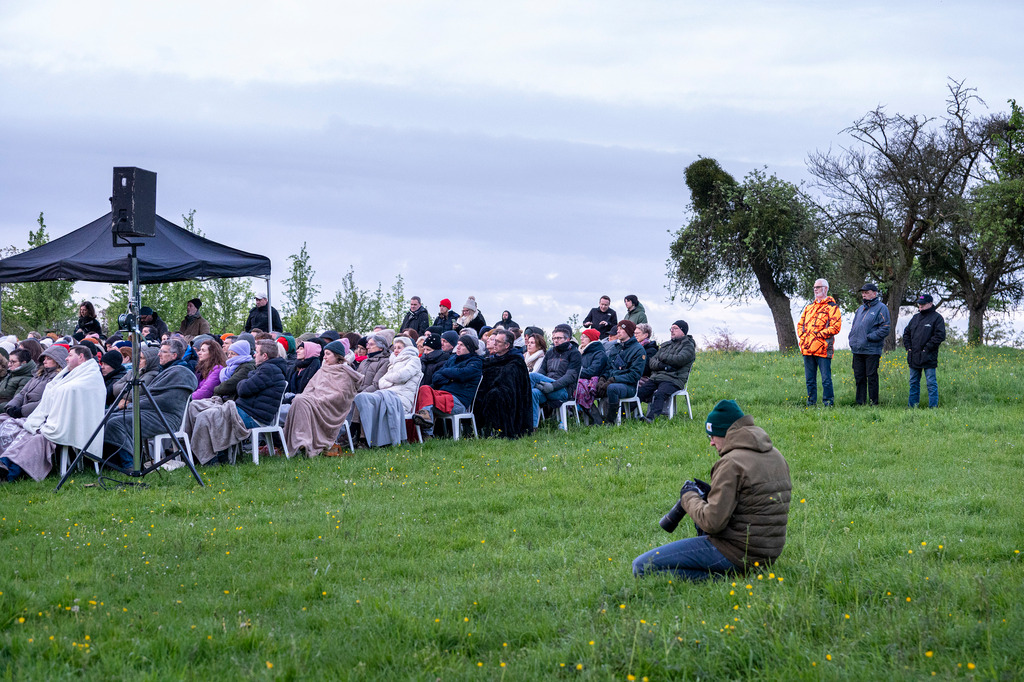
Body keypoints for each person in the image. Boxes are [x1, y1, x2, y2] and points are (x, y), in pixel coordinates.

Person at [632, 400, 792, 581]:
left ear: (727, 433)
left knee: (642, 566)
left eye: (713, 436)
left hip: (736, 552)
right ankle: (733, 577)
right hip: (767, 554)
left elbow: (712, 523)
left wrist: (689, 497)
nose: (711, 443)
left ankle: (726, 578)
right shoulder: (776, 455)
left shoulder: (731, 463)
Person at [0, 345, 106, 482]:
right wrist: (11, 407)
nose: (66, 358)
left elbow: (70, 398)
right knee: (13, 427)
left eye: (70, 355)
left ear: (80, 357)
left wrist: (22, 411)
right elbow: (26, 394)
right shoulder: (62, 374)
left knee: (34, 439)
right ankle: (4, 463)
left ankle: (10, 472)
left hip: (70, 424)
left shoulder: (89, 376)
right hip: (49, 418)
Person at [103, 338, 198, 470]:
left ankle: (130, 465)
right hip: (153, 412)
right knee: (111, 417)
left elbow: (165, 400)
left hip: (166, 417)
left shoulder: (181, 372)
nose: (159, 354)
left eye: (163, 352)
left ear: (174, 355)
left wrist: (132, 405)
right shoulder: (167, 370)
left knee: (117, 422)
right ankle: (112, 462)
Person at [284, 340, 362, 456]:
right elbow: (310, 388)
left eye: (328, 354)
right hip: (313, 401)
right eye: (324, 354)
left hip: (330, 407)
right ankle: (300, 442)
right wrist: (310, 398)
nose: (324, 357)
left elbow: (341, 395)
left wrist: (319, 399)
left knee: (301, 401)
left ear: (337, 355)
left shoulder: (345, 373)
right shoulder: (322, 370)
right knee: (299, 399)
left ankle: (304, 443)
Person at [351, 336, 422, 447]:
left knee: (367, 399)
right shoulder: (393, 362)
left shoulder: (414, 360)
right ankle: (361, 438)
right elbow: (381, 382)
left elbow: (401, 376)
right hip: (387, 394)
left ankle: (362, 438)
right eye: (395, 347)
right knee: (363, 398)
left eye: (400, 347)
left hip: (400, 398)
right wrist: (391, 381)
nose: (396, 350)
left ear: (407, 348)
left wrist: (389, 379)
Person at [413, 336, 484, 439]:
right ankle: (427, 426)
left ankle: (427, 433)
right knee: (424, 388)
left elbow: (462, 374)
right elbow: (436, 377)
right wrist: (451, 378)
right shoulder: (452, 359)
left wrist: (446, 372)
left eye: (461, 345)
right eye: (458, 344)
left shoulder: (476, 362)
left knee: (427, 400)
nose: (458, 347)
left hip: (458, 401)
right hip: (442, 396)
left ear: (470, 347)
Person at [474, 329, 532, 439]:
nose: (494, 344)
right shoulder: (490, 361)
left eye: (498, 342)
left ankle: (498, 430)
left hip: (510, 395)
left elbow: (510, 382)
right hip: (489, 391)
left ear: (507, 345)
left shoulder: (516, 362)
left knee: (496, 395)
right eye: (494, 340)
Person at [797, 278, 842, 407]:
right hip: (807, 349)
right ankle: (811, 402)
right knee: (809, 379)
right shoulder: (809, 307)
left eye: (818, 287)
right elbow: (800, 325)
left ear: (825, 289)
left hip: (823, 349)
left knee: (826, 379)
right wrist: (803, 337)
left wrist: (819, 335)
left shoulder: (832, 308)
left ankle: (828, 403)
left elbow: (835, 327)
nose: (815, 290)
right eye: (814, 287)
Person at [639, 320, 696, 420]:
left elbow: (679, 360)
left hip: (674, 379)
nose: (672, 331)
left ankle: (651, 419)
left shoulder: (688, 346)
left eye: (675, 328)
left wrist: (662, 356)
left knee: (659, 394)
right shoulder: (666, 345)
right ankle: (624, 415)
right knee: (641, 392)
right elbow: (652, 362)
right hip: (657, 377)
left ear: (683, 331)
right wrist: (662, 366)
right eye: (671, 328)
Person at [529, 324, 581, 428]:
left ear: (568, 339)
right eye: (554, 338)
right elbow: (542, 371)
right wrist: (542, 385)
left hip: (563, 391)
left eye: (559, 338)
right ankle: (532, 427)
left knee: (532, 376)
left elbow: (570, 377)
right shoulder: (550, 353)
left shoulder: (574, 353)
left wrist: (552, 386)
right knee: (533, 392)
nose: (555, 340)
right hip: (546, 388)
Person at [594, 320, 646, 425]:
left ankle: (610, 421)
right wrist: (602, 379)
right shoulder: (615, 348)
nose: (618, 331)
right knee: (592, 386)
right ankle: (596, 419)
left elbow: (635, 375)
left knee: (612, 388)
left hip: (629, 386)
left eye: (621, 329)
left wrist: (613, 380)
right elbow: (608, 368)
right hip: (611, 381)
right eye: (618, 329)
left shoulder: (638, 350)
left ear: (629, 331)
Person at [848, 283, 891, 406]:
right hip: (857, 349)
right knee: (859, 377)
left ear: (874, 293)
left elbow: (886, 328)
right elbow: (854, 326)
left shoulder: (881, 308)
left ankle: (873, 403)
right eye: (863, 293)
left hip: (872, 349)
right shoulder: (860, 309)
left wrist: (870, 337)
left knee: (871, 377)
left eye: (866, 292)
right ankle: (860, 403)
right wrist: (852, 338)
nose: (864, 295)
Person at [903, 294, 946, 408]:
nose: (920, 307)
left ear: (930, 304)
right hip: (914, 356)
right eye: (919, 305)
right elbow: (906, 333)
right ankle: (912, 407)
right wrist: (909, 347)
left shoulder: (937, 318)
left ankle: (933, 407)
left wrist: (927, 348)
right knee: (913, 383)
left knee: (931, 383)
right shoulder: (915, 318)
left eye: (923, 304)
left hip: (929, 356)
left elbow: (940, 336)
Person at [4, 345, 66, 418]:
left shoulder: (58, 379)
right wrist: (10, 406)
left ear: (58, 361)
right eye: (44, 358)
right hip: (21, 411)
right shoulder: (39, 374)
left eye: (49, 359)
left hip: (36, 416)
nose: (44, 361)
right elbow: (22, 393)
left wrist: (22, 411)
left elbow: (46, 402)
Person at [574, 329, 608, 418]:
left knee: (579, 388)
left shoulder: (599, 354)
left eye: (584, 337)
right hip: (581, 378)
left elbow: (593, 371)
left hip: (596, 382)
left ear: (591, 339)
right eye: (581, 336)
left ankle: (596, 417)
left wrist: (575, 373)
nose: (581, 338)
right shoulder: (581, 352)